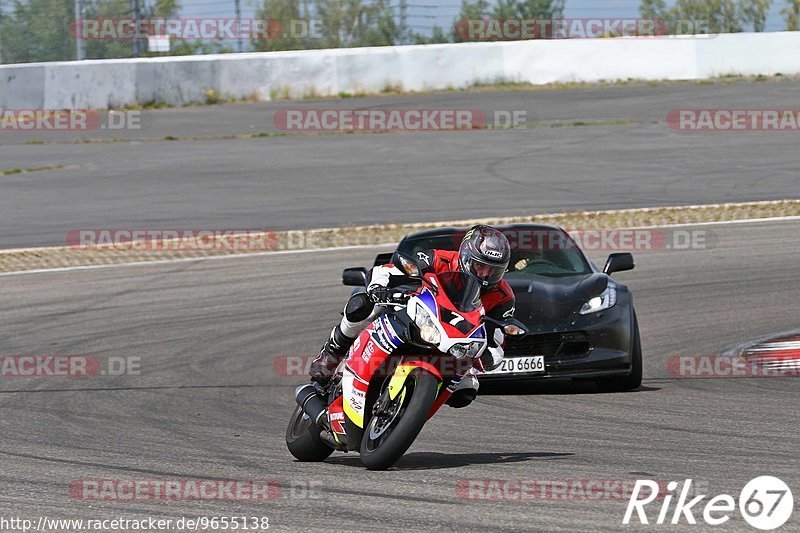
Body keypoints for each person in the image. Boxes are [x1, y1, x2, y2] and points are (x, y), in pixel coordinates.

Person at [309, 225, 515, 407]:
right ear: (465, 257)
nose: (486, 275)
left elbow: (498, 337)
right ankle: (332, 352)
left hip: (453, 344)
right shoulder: (439, 259)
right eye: (480, 266)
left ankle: (410, 408)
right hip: (417, 317)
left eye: (494, 270)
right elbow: (389, 269)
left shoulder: (504, 297)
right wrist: (378, 287)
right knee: (364, 305)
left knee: (466, 391)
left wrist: (489, 355)